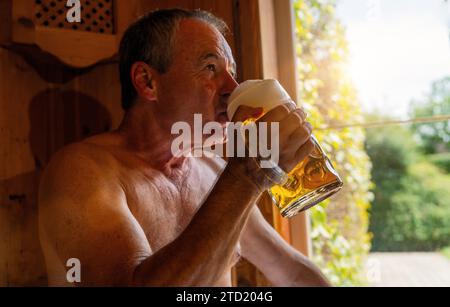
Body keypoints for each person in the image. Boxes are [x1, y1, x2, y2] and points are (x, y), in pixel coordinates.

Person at [38, 8, 330, 286]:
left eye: (231, 72)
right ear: (147, 81)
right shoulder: (83, 170)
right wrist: (248, 175)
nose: (233, 88)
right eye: (210, 68)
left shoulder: (213, 170)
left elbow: (290, 272)